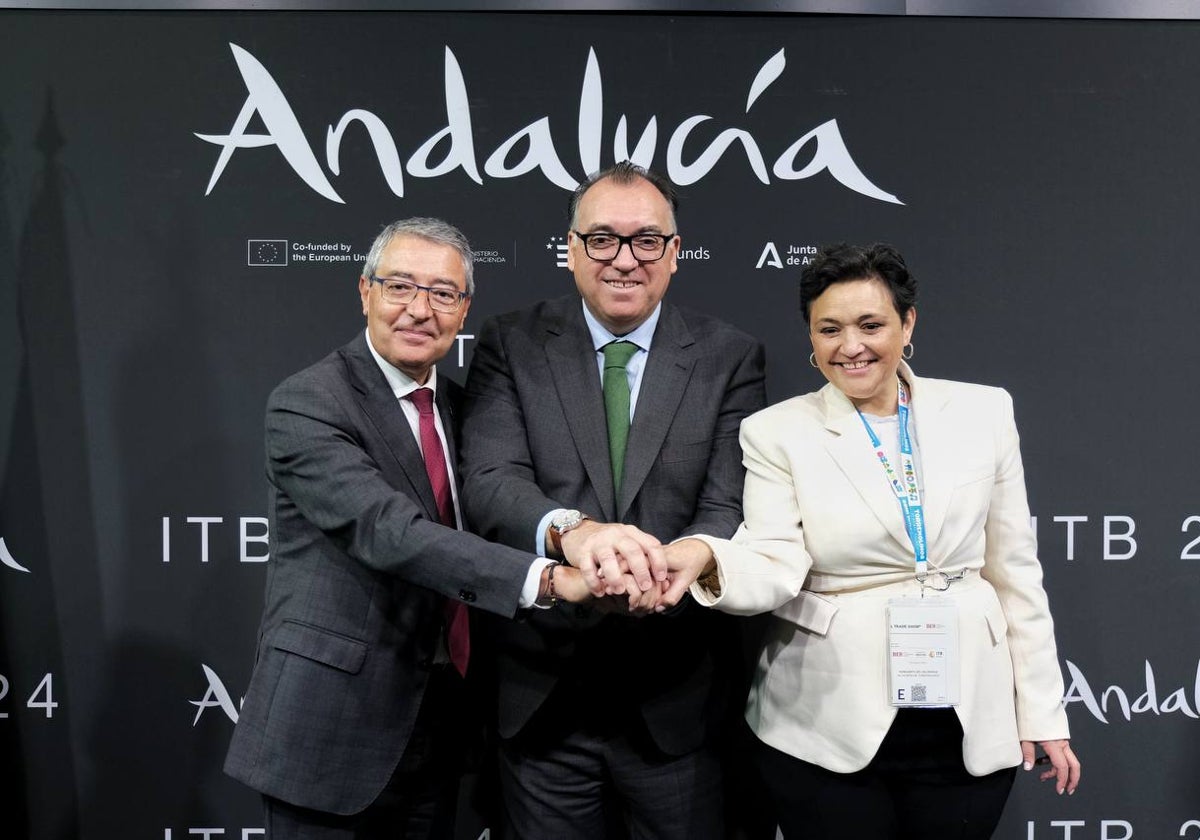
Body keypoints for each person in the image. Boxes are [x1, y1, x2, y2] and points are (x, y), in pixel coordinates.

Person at [661, 242, 1081, 839]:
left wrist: (1041, 710)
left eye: (870, 325)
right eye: (828, 329)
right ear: (809, 337)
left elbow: (1015, 572)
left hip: (969, 719)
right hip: (826, 722)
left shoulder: (983, 412)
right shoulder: (777, 432)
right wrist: (706, 559)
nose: (850, 346)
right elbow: (774, 560)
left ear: (908, 323)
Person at [223, 217, 600, 840]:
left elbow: (501, 507)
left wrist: (581, 535)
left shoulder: (464, 407)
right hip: (335, 730)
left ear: (464, 309)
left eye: (443, 293)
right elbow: (388, 531)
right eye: (400, 286)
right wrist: (553, 581)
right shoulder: (309, 402)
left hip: (450, 730)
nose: (419, 309)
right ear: (365, 291)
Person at [459, 161, 767, 839]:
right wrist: (575, 533)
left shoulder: (729, 357)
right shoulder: (510, 343)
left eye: (646, 240)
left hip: (677, 699)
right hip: (542, 699)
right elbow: (489, 480)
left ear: (674, 253)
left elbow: (726, 505)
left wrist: (678, 563)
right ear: (571, 249)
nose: (624, 260)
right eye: (602, 239)